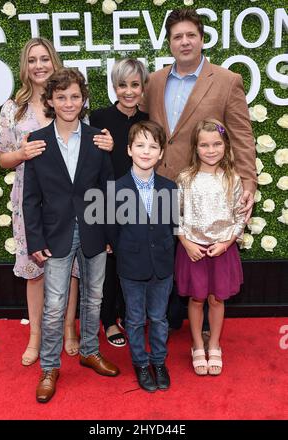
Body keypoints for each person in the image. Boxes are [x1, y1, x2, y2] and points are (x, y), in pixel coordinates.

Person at [0, 38, 113, 364]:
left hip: (73, 207)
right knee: (37, 269)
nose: (38, 65)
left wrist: (108, 144)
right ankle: (36, 337)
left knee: (73, 269)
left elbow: (91, 159)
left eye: (44, 58)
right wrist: (22, 153)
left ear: (53, 61)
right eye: (32, 60)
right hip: (32, 199)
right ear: (25, 66)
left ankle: (70, 330)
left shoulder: (72, 102)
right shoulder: (13, 108)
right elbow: (3, 157)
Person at [141, 8, 257, 332]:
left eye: (191, 35)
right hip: (161, 186)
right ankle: (165, 320)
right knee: (166, 255)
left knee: (207, 257)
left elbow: (242, 136)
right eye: (177, 36)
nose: (185, 41)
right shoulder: (154, 81)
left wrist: (248, 182)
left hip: (209, 191)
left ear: (202, 39)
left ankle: (206, 323)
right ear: (169, 43)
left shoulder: (226, 80)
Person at [23, 67, 119, 403]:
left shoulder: (96, 139)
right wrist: (35, 241)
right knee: (54, 306)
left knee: (94, 297)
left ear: (83, 99)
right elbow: (30, 198)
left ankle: (90, 351)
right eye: (61, 96)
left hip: (94, 232)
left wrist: (110, 233)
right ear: (50, 100)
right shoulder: (36, 142)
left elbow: (106, 190)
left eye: (75, 96)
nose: (68, 102)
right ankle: (49, 367)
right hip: (55, 234)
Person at [175, 119, 246, 376]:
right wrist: (186, 242)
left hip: (222, 250)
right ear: (195, 148)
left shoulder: (232, 179)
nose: (211, 150)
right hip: (193, 250)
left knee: (217, 299)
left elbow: (240, 217)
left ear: (226, 146)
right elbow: (175, 216)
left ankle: (214, 343)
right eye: (204, 145)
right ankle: (196, 344)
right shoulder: (185, 178)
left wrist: (226, 243)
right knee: (196, 299)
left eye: (216, 144)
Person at [112, 121, 177, 392]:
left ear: (161, 153)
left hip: (162, 266)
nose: (146, 151)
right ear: (129, 150)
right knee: (135, 319)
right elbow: (113, 231)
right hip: (131, 267)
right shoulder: (115, 188)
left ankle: (159, 361)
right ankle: (140, 363)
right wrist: (125, 252)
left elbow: (171, 227)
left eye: (153, 146)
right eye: (140, 145)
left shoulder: (170, 187)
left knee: (160, 318)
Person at [90, 59, 149, 347]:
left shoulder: (149, 121)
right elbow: (91, 166)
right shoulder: (98, 118)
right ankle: (109, 320)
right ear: (114, 86)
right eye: (123, 84)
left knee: (133, 262)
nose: (128, 91)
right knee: (109, 266)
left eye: (134, 85)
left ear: (143, 87)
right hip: (108, 203)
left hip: (140, 203)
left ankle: (128, 314)